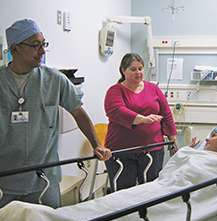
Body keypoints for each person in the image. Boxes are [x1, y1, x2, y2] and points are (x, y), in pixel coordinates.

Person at [0, 19, 112, 209]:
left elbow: (78, 111)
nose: (42, 50)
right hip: (6, 180)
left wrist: (96, 145)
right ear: (15, 48)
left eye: (43, 44)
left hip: (44, 178)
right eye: (35, 45)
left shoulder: (54, 79)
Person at [104, 53, 177, 191]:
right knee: (124, 191)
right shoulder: (115, 91)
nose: (138, 72)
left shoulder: (153, 88)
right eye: (133, 69)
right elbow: (116, 111)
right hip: (123, 150)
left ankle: (149, 213)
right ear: (123, 70)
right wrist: (142, 119)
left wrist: (173, 140)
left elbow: (166, 114)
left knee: (151, 190)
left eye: (140, 68)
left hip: (153, 149)